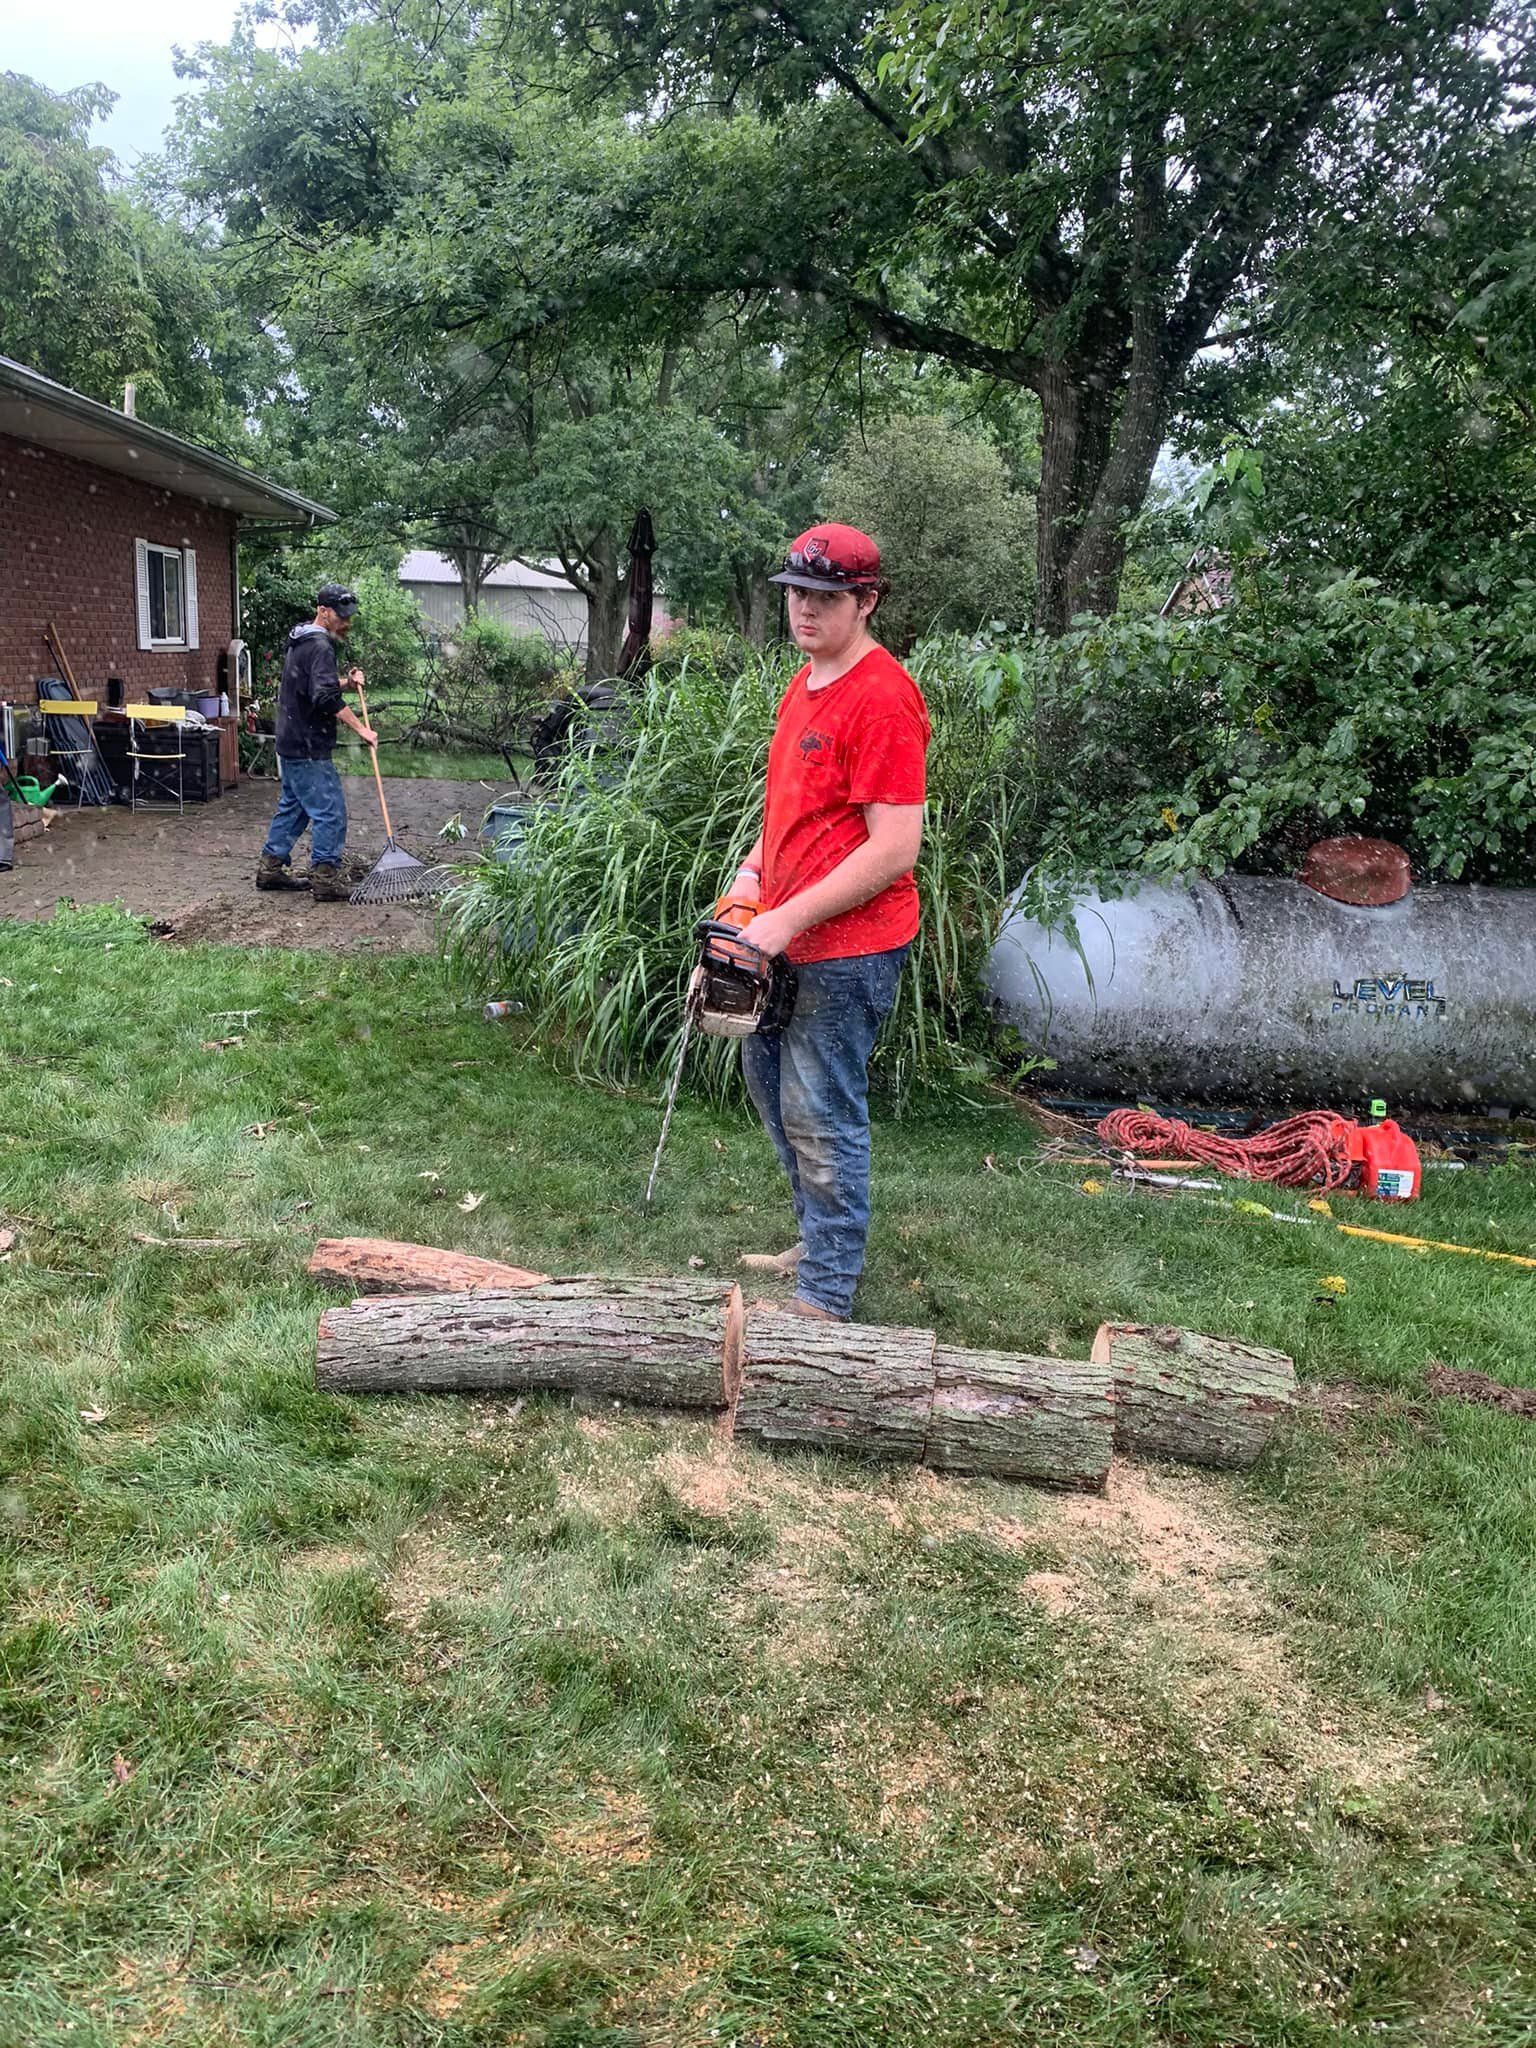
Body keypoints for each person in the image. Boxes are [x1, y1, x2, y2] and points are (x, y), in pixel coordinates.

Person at [730, 523, 930, 1321]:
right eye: (796, 595)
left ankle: (827, 1294)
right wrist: (748, 884)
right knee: (772, 1088)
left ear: (866, 600)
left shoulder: (882, 697)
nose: (805, 610)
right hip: (783, 932)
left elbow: (894, 849)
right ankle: (816, 1240)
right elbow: (789, 809)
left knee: (821, 1110)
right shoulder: (807, 679)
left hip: (850, 948)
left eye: (825, 597)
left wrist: (785, 921)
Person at [255, 583, 378, 900]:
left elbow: (314, 685)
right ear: (323, 611)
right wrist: (361, 728)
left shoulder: (301, 637)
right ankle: (325, 878)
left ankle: (270, 869)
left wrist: (346, 683)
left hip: (291, 739)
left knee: (294, 808)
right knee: (330, 811)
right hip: (308, 744)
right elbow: (323, 697)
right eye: (342, 615)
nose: (347, 622)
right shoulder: (321, 645)